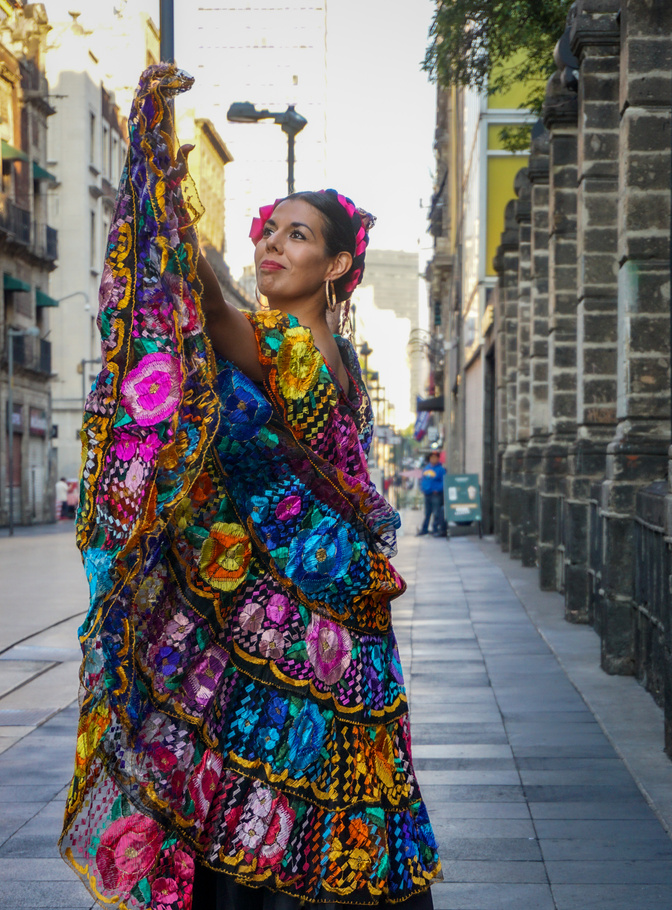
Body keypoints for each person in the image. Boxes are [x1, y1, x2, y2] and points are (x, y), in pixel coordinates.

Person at [59, 65, 440, 910]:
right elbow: (222, 308)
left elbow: (214, 306)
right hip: (275, 610)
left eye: (297, 236)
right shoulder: (291, 346)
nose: (272, 243)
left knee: (283, 799)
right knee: (259, 792)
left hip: (303, 622)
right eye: (269, 229)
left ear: (338, 265)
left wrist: (160, 173)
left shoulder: (302, 353)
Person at [417, 452, 446, 537]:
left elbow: (444, 481)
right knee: (427, 513)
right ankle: (424, 529)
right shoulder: (426, 468)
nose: (433, 459)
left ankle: (435, 529)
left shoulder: (441, 469)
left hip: (436, 494)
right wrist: (422, 488)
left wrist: (438, 489)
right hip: (427, 494)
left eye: (435, 457)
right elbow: (423, 480)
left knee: (436, 512)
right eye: (432, 457)